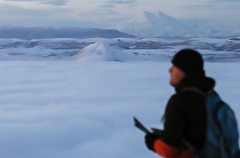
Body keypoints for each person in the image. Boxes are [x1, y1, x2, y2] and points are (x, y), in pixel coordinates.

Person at [144, 49, 216, 158]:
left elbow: (168, 150)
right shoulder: (211, 97)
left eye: (174, 66)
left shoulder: (181, 101)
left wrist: (152, 142)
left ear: (184, 70)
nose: (170, 70)